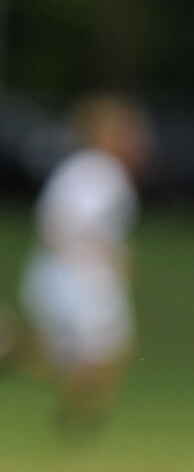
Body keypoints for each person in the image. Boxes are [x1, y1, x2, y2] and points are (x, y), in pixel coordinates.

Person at [16, 94, 151, 432]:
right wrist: (109, 257)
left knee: (85, 356)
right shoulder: (100, 172)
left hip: (67, 275)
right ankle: (11, 351)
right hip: (79, 279)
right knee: (102, 355)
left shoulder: (83, 169)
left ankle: (78, 418)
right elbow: (65, 224)